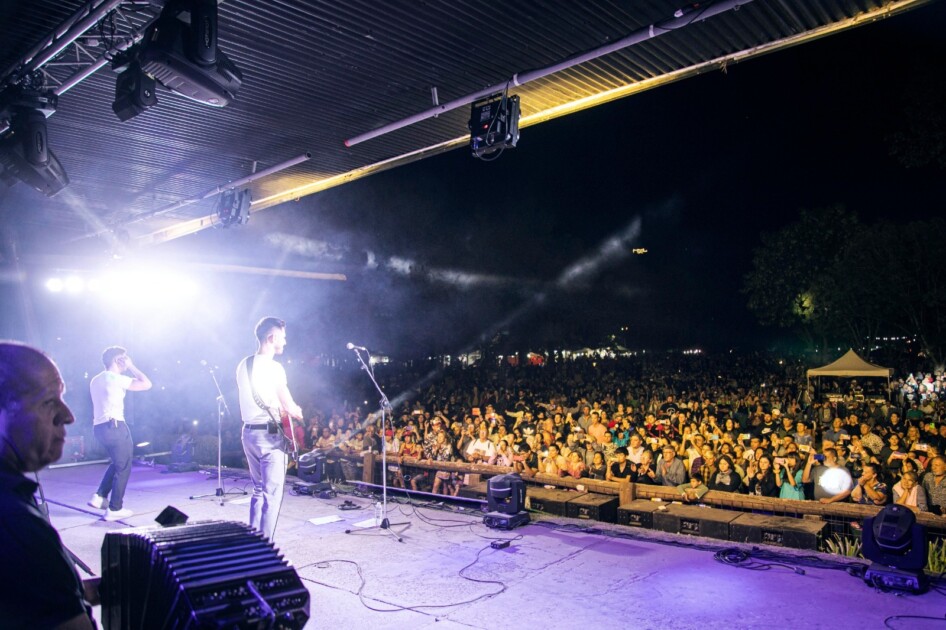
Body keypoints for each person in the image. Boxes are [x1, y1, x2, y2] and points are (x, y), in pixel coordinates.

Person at [0, 342, 98, 629]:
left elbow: (21, 599)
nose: (67, 416)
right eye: (48, 401)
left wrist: (84, 590)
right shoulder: (16, 524)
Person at [236, 317, 303, 541]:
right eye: (282, 337)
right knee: (272, 495)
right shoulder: (274, 368)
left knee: (258, 489)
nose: (285, 341)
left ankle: (253, 542)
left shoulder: (243, 364)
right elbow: (289, 406)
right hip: (269, 436)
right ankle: (265, 549)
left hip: (249, 433)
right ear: (272, 338)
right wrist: (297, 410)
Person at [87, 346, 152, 521]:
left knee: (118, 463)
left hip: (99, 428)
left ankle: (99, 496)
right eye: (125, 358)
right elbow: (146, 384)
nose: (127, 361)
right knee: (124, 466)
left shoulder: (95, 380)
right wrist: (131, 366)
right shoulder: (116, 378)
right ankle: (115, 509)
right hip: (115, 426)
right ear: (118, 360)